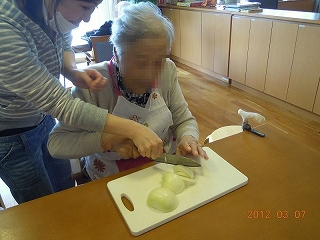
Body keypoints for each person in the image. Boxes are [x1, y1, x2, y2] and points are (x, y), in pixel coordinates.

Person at [0, 0, 163, 204]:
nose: (87, 18)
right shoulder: (5, 29)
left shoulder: (48, 12)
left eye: (93, 9)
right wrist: (134, 130)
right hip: (11, 133)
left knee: (64, 186)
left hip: (41, 115)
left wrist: (71, 71)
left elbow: (63, 41)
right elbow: (61, 105)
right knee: (41, 203)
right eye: (85, 7)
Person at [48, 2, 208, 180]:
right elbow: (56, 143)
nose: (150, 74)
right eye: (140, 63)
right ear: (116, 52)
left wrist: (188, 138)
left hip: (161, 170)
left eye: (158, 61)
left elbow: (183, 119)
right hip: (108, 179)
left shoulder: (168, 70)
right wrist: (108, 140)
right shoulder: (91, 84)